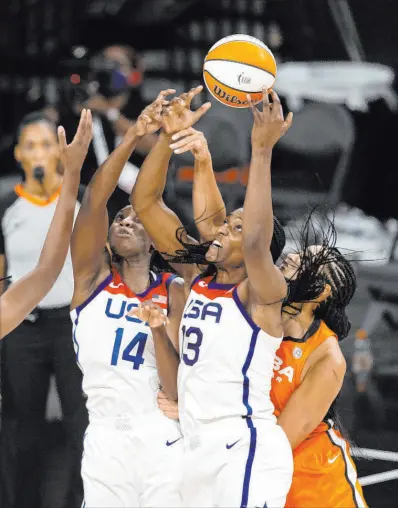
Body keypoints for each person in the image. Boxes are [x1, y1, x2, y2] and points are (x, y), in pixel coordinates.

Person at [156, 126, 367, 507]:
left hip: (311, 482)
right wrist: (204, 161)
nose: (291, 257)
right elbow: (216, 229)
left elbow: (281, 439)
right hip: (251, 471)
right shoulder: (259, 300)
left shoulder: (326, 356)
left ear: (319, 294)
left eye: (306, 263)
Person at [131, 86, 294, 507]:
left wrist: (261, 152)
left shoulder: (263, 292)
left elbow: (257, 241)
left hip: (242, 445)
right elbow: (146, 203)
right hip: (195, 445)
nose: (223, 229)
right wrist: (170, 140)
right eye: (227, 224)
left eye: (234, 228)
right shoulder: (199, 276)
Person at [70, 90, 186, 508]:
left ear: (155, 241)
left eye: (138, 220)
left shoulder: (174, 290)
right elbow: (94, 200)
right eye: (121, 218)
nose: (126, 221)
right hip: (104, 436)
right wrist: (136, 133)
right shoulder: (90, 279)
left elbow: (174, 388)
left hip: (159, 432)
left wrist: (158, 329)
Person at [0, 111, 92, 508]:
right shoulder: (7, 205)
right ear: (19, 153)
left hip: (73, 322)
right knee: (23, 427)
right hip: (22, 324)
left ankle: (81, 501)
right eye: (30, 145)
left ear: (60, 150)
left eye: (46, 143)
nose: (38, 153)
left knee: (82, 423)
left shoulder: (82, 198)